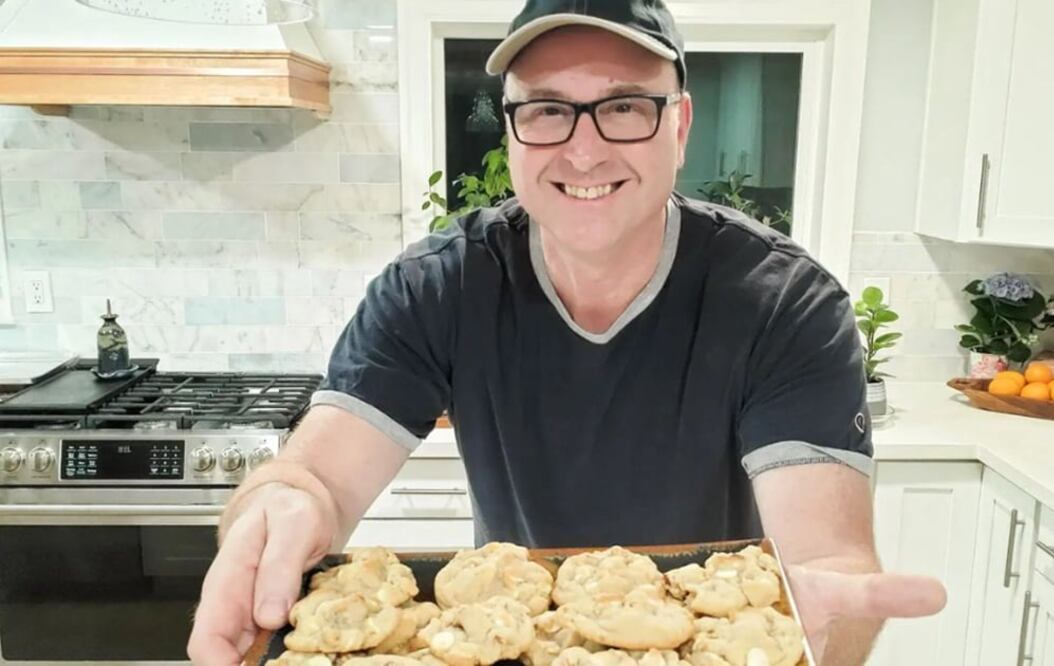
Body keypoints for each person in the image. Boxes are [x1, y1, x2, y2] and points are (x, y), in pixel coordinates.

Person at [188, 1, 946, 664]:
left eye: (623, 107)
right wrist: (277, 506)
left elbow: (825, 555)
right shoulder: (440, 287)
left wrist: (813, 641)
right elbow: (315, 478)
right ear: (511, 129)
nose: (582, 150)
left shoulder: (784, 304)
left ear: (677, 125)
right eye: (547, 109)